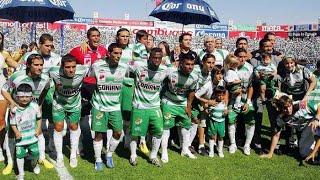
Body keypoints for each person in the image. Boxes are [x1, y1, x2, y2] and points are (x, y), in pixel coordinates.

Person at [1, 53, 52, 175]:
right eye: (36, 65)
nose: (40, 67)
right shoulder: (17, 77)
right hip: (17, 111)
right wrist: (12, 102)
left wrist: (39, 103)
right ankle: (10, 162)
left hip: (33, 110)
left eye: (41, 65)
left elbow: (45, 90)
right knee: (12, 135)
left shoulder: (45, 78)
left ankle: (41, 158)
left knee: (38, 132)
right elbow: (4, 89)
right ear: (28, 65)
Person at [69, 27, 108, 156]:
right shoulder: (79, 50)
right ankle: (81, 144)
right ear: (88, 37)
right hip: (85, 86)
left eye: (98, 36)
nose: (96, 38)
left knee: (101, 116)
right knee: (83, 117)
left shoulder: (103, 50)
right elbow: (66, 62)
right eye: (93, 36)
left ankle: (101, 144)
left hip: (100, 88)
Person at [128, 48, 168, 167]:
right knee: (135, 132)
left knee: (159, 131)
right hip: (139, 106)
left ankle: (153, 156)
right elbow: (123, 66)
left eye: (159, 58)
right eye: (154, 57)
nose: (156, 60)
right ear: (149, 57)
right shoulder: (139, 66)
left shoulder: (165, 70)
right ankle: (133, 155)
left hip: (155, 106)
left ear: (162, 59)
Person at [90, 43, 127, 171]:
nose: (118, 56)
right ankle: (98, 159)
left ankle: (109, 154)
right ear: (108, 53)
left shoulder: (124, 67)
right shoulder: (97, 66)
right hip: (99, 106)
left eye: (120, 53)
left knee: (118, 132)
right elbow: (87, 76)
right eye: (115, 53)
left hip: (115, 106)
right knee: (99, 134)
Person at [48, 54, 89, 168]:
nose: (71, 70)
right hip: (59, 103)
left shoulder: (83, 70)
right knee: (58, 127)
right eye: (67, 67)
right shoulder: (54, 72)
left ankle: (72, 155)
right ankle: (60, 156)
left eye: (73, 67)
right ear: (62, 67)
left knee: (74, 127)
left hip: (75, 104)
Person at [161, 53, 199, 162]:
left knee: (185, 127)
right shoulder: (171, 72)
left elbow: (192, 92)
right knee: (166, 127)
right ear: (181, 64)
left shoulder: (195, 77)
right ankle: (164, 151)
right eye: (187, 64)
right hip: (169, 102)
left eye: (192, 64)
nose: (190, 67)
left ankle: (185, 149)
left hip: (182, 103)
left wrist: (188, 106)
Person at [10, 83, 42, 180]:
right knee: (19, 155)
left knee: (36, 153)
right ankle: (21, 173)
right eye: (22, 96)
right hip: (21, 140)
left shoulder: (35, 106)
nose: (24, 99)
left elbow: (39, 118)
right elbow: (12, 124)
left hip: (33, 137)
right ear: (17, 96)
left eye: (27, 96)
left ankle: (34, 165)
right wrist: (16, 132)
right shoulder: (14, 110)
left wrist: (38, 128)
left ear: (31, 96)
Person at [227, 48, 255, 155]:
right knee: (231, 120)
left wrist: (248, 102)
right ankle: (233, 144)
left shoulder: (250, 68)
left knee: (251, 121)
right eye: (240, 56)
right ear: (235, 56)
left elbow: (251, 87)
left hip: (245, 99)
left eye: (244, 56)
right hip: (233, 100)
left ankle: (247, 145)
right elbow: (226, 86)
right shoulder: (230, 68)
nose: (242, 59)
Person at [195, 65, 226, 156]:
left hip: (216, 108)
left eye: (222, 74)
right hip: (204, 106)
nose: (220, 76)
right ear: (213, 74)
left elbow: (225, 93)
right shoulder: (208, 85)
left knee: (214, 123)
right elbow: (197, 95)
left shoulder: (222, 83)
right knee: (203, 123)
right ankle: (201, 145)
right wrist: (207, 102)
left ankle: (214, 143)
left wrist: (224, 103)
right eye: (218, 74)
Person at [191, 54, 216, 155]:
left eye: (213, 63)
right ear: (203, 62)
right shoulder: (195, 69)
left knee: (201, 121)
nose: (211, 65)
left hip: (201, 100)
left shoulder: (212, 74)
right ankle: (188, 144)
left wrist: (205, 102)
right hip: (191, 98)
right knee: (192, 121)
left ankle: (201, 144)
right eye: (208, 62)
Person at [207, 86, 228, 158]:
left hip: (221, 122)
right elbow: (208, 111)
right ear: (215, 94)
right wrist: (209, 109)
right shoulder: (213, 102)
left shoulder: (224, 103)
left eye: (222, 95)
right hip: (213, 121)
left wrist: (226, 112)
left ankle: (220, 151)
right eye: (219, 95)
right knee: (212, 136)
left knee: (221, 137)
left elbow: (225, 112)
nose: (220, 97)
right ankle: (211, 151)